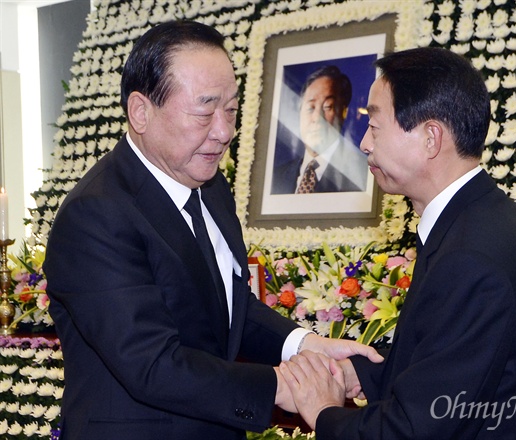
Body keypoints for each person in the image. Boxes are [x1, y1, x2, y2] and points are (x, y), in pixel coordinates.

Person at [43, 20, 382, 440]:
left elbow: (225, 306)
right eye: (205, 110)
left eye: (231, 109)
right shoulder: (96, 215)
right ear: (141, 111)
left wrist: (304, 346)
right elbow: (152, 365)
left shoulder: (209, 183)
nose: (224, 132)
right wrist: (287, 385)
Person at [280, 47, 516, 439]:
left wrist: (324, 411)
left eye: (375, 126)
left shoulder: (471, 255)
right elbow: (452, 373)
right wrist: (360, 374)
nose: (364, 143)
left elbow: (416, 430)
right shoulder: (482, 219)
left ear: (431, 138)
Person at [271, 65, 368, 194]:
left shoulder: (362, 175)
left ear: (344, 112)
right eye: (310, 107)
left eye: (328, 107)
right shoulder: (275, 177)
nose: (317, 117)